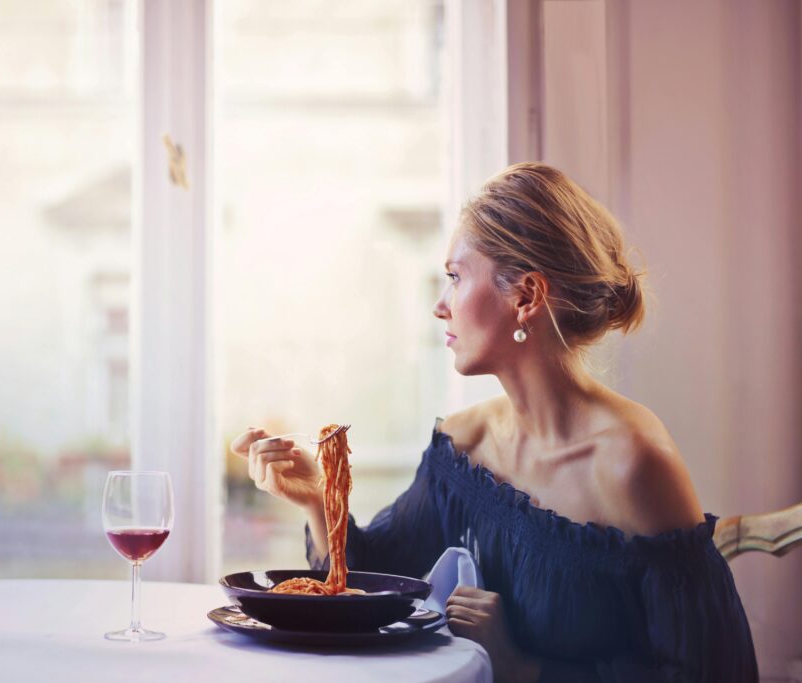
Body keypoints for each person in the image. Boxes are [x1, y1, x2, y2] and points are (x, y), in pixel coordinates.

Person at [230, 163, 757, 682]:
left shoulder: (633, 462)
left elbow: (713, 670)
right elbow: (376, 588)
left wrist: (526, 669)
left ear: (526, 296)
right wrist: (319, 498)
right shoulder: (463, 447)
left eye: (455, 277)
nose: (440, 306)